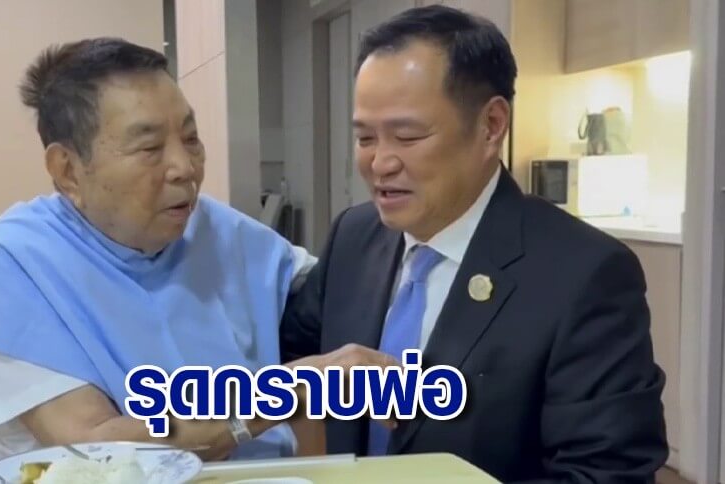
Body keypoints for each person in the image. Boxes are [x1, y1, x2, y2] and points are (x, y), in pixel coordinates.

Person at [0, 38, 386, 464]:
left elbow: (339, 293)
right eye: (150, 148)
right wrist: (293, 389)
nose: (185, 168)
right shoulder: (18, 260)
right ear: (69, 171)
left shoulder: (216, 230)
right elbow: (95, 447)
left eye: (191, 139)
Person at [280, 5, 668, 483]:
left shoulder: (586, 274)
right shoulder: (354, 237)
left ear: (491, 125)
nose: (380, 163)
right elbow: (285, 352)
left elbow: (606, 474)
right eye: (365, 138)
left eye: (407, 136)